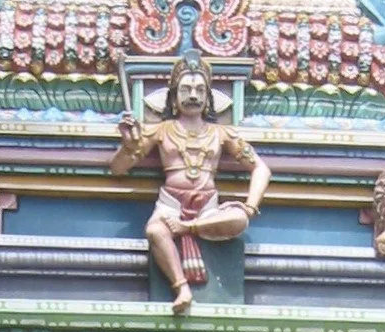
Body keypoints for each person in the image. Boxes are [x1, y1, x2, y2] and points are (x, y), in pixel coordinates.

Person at [110, 54, 271, 314]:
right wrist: (128, 147)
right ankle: (181, 286)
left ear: (209, 98)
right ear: (173, 98)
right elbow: (118, 169)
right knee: (155, 231)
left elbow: (261, 168)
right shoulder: (160, 130)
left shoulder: (222, 134)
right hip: (170, 204)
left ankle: (189, 227)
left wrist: (250, 207)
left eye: (199, 90)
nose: (193, 95)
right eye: (185, 89)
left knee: (239, 220)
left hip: (208, 208)